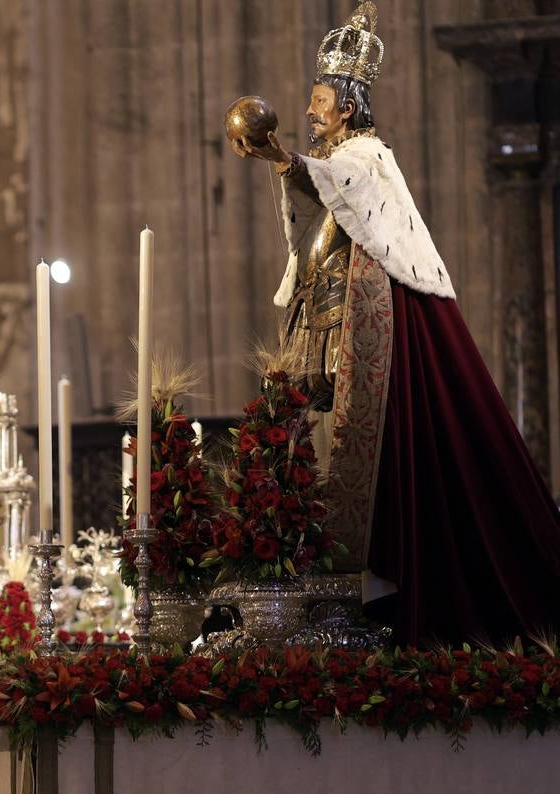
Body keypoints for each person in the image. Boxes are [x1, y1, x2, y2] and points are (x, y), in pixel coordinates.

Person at [234, 1, 560, 645]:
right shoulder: (338, 162)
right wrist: (285, 164)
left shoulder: (369, 159)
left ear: (347, 108)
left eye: (319, 100)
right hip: (324, 318)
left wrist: (283, 156)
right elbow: (317, 209)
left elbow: (339, 184)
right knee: (302, 428)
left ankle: (369, 580)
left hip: (362, 324)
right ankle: (307, 557)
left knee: (362, 443)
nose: (310, 110)